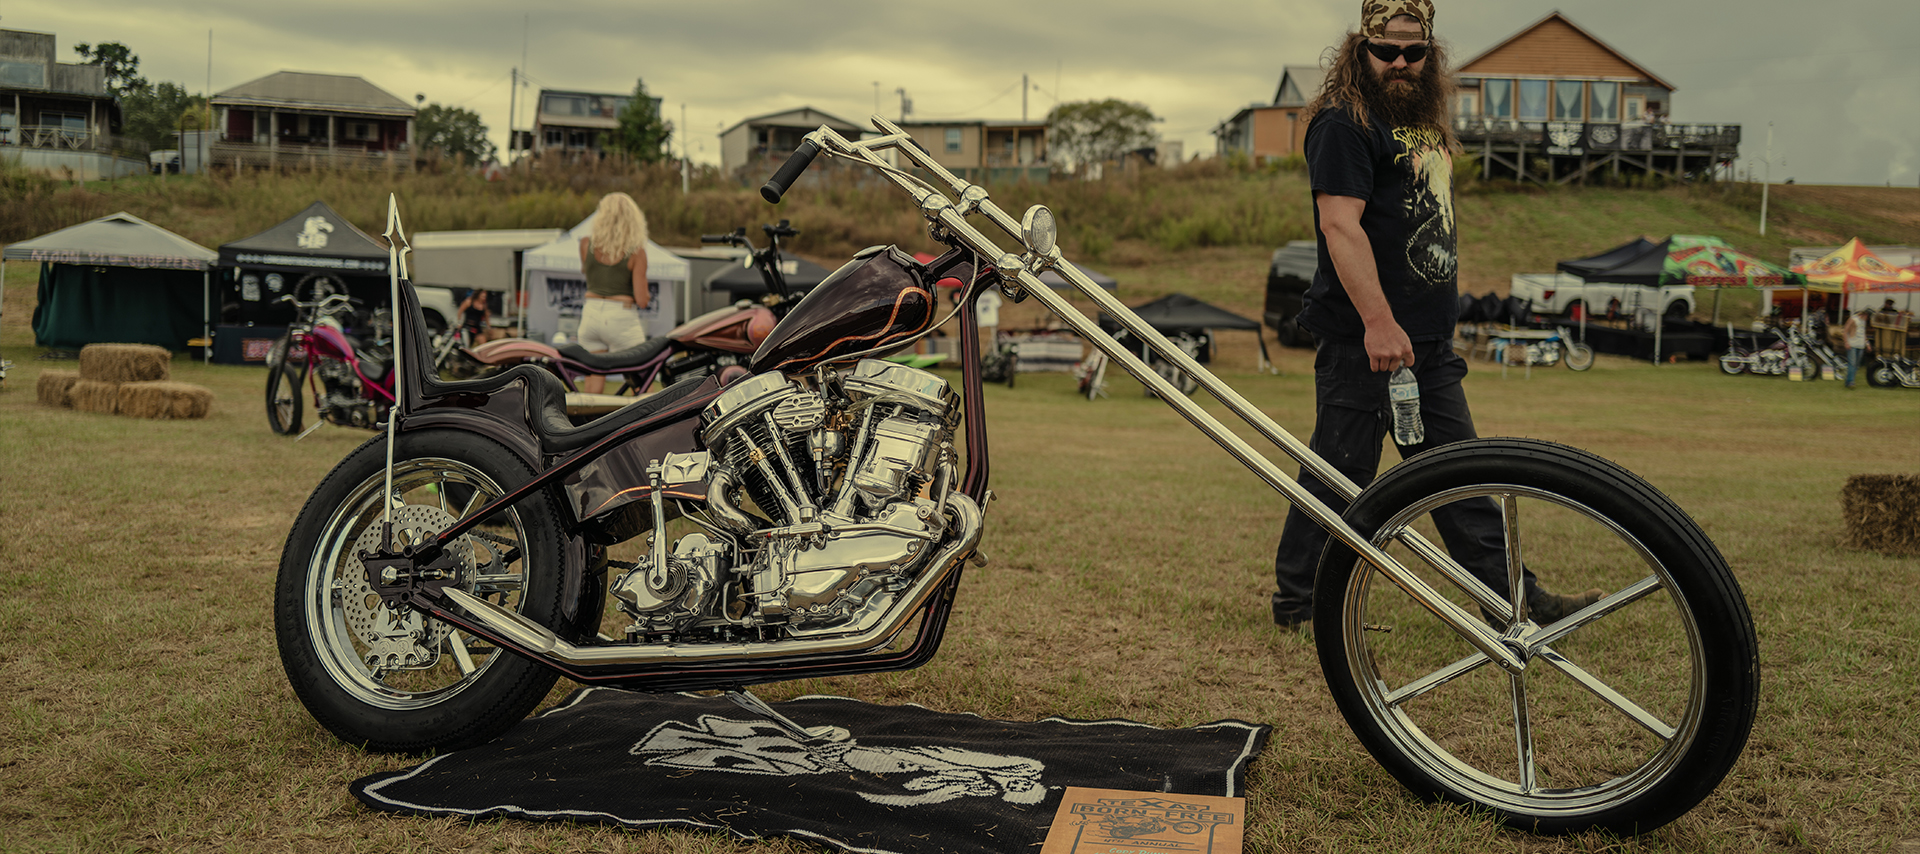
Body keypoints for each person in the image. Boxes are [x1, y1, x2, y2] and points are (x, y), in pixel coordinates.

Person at [1268, 0, 1600, 629]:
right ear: (1358, 50)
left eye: (1413, 52)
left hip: (1427, 344)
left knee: (1460, 478)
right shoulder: (1343, 122)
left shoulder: (1423, 122)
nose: (1400, 62)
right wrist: (1377, 321)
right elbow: (1340, 227)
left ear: (1431, 54)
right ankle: (1298, 601)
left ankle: (1516, 603)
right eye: (1385, 50)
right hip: (1364, 340)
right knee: (1339, 477)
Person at [575, 192, 653, 394]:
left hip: (590, 314)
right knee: (644, 379)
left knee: (593, 381)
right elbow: (642, 300)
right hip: (620, 317)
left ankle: (587, 424)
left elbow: (590, 275)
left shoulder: (585, 244)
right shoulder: (636, 252)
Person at [1843, 308, 1870, 389]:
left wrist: (1867, 343)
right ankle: (1851, 381)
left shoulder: (1863, 321)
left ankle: (1849, 380)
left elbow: (1863, 333)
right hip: (1853, 344)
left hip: (1860, 344)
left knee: (1857, 364)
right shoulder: (1853, 319)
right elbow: (1845, 331)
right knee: (1852, 363)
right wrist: (1846, 342)